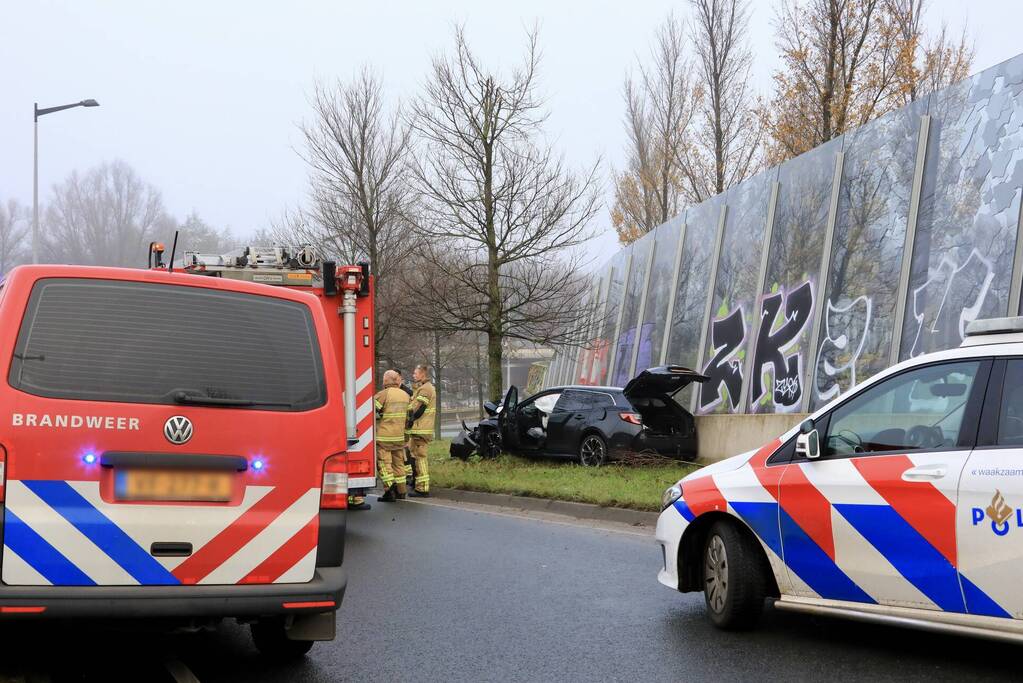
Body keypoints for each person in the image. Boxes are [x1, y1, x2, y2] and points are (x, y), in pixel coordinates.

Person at [374, 369, 410, 503]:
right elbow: (409, 418)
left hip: (384, 437)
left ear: (386, 381)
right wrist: (406, 436)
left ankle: (389, 491)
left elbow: (371, 412)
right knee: (399, 464)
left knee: (384, 464)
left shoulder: (383, 394)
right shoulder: (406, 395)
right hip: (399, 437)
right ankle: (401, 491)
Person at [406, 364, 436, 497]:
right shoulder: (423, 388)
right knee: (414, 455)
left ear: (423, 374)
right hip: (418, 428)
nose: (413, 375)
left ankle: (422, 488)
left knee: (420, 458)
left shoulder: (425, 389)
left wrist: (409, 420)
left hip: (421, 428)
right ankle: (416, 483)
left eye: (415, 373)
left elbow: (418, 409)